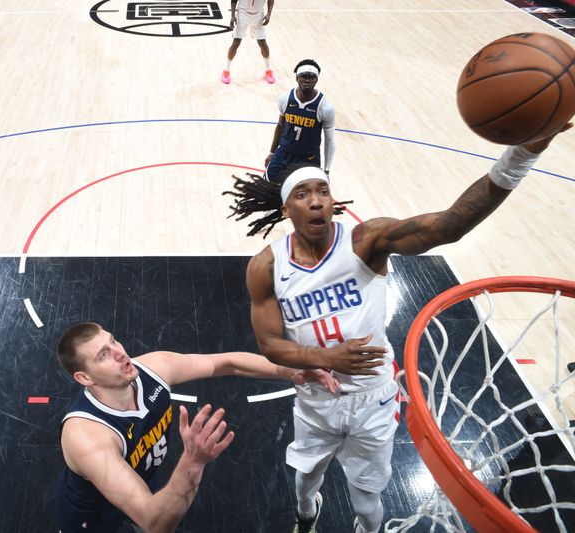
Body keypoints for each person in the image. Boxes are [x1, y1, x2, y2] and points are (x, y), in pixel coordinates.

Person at [225, 123, 570, 533]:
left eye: (323, 191)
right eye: (303, 195)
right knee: (304, 481)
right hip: (316, 395)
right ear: (287, 210)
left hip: (373, 399)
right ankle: (306, 514)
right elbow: (269, 344)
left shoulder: (365, 241)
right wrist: (325, 358)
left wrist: (523, 153)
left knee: (368, 499)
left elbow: (449, 225)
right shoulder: (266, 265)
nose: (316, 202)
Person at [56, 321, 347, 533]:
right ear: (85, 378)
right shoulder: (86, 436)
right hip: (92, 515)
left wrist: (291, 370)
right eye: (103, 355)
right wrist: (193, 461)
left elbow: (227, 362)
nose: (120, 352)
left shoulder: (152, 369)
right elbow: (154, 523)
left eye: (113, 341)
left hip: (141, 475)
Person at [265, 59, 335, 184]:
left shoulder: (325, 107)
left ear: (316, 79)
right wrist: (271, 152)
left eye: (311, 77)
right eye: (303, 76)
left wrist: (327, 171)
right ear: (297, 78)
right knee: (266, 189)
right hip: (283, 154)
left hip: (308, 159)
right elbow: (280, 126)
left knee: (303, 198)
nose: (307, 80)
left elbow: (329, 140)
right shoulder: (285, 98)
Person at [221, 0, 275, 84]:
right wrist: (232, 16)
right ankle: (226, 71)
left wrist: (269, 14)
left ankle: (268, 71)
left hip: (258, 14)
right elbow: (234, 0)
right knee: (236, 43)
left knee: (262, 43)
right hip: (242, 14)